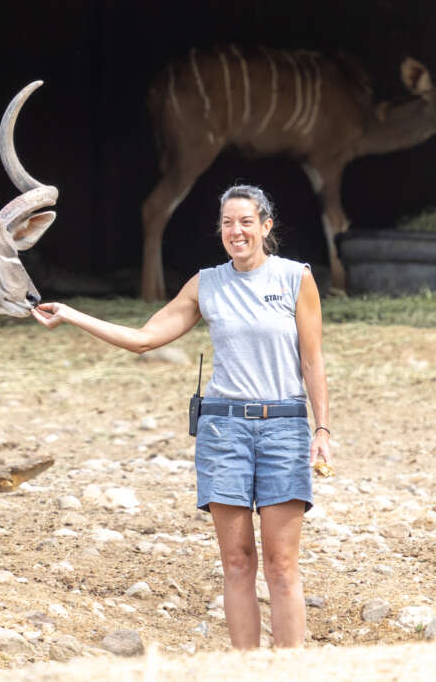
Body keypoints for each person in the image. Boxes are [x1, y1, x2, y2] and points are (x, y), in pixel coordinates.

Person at [32, 184, 330, 649]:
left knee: (281, 564)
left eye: (246, 222)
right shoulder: (206, 283)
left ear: (266, 227)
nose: (237, 231)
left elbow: (312, 362)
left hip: (284, 427)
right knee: (236, 562)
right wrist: (73, 315)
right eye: (228, 223)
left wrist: (322, 428)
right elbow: (144, 338)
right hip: (223, 429)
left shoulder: (296, 279)